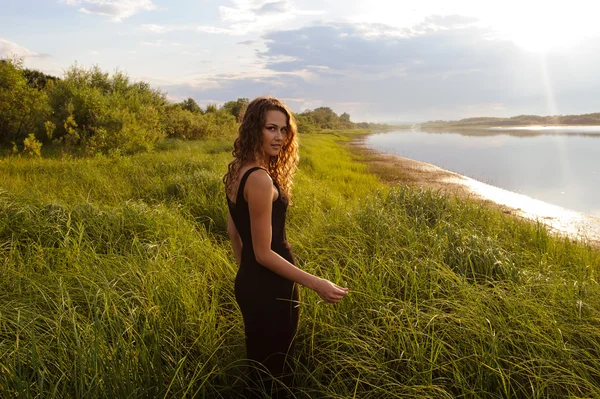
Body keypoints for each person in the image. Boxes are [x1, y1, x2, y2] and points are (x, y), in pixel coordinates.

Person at [224, 96, 349, 397]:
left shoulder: (237, 171)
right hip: (272, 287)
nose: (279, 137)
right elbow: (265, 252)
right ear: (255, 129)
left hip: (252, 282)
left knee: (260, 363)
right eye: (271, 128)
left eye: (284, 130)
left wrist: (248, 273)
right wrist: (316, 283)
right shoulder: (260, 180)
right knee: (276, 371)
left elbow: (234, 234)